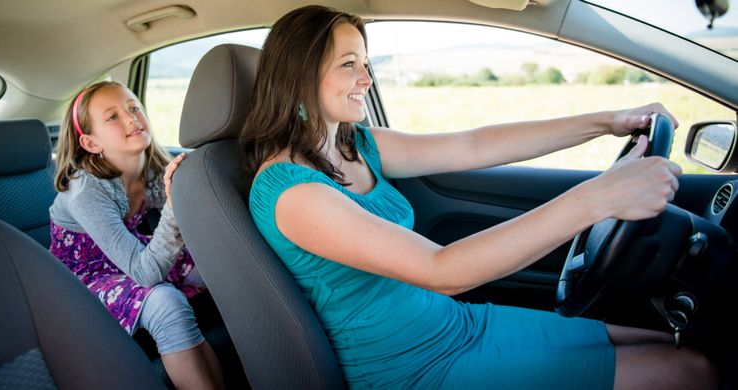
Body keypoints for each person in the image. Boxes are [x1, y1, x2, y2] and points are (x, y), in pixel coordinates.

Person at [240, 5, 717, 389]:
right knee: (690, 372)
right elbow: (440, 270)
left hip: (457, 324)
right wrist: (597, 198)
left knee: (671, 345)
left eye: (365, 63)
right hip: (410, 367)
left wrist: (607, 120)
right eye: (349, 65)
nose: (367, 78)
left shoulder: (356, 143)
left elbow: (474, 144)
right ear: (301, 76)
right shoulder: (291, 192)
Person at [49, 81, 224, 389]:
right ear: (90, 143)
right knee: (165, 302)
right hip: (82, 279)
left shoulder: (153, 164)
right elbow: (146, 273)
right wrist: (174, 203)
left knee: (218, 265)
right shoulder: (87, 190)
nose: (131, 118)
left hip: (130, 254)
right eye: (112, 116)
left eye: (134, 107)